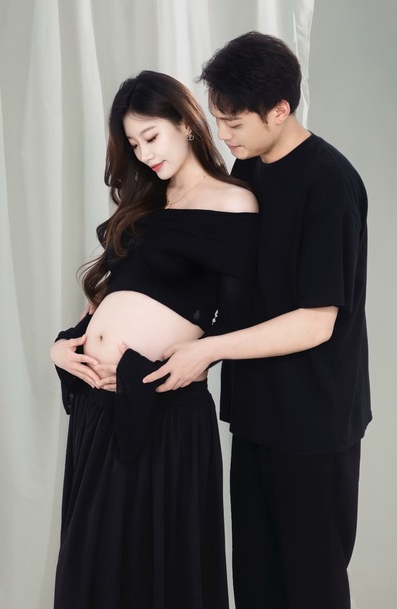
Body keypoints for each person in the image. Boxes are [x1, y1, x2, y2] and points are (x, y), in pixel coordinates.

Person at [143, 32, 372, 609]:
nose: (223, 135)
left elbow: (316, 323)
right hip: (255, 415)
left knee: (312, 587)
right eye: (217, 119)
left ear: (280, 110)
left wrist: (208, 350)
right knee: (256, 585)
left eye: (234, 122)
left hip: (314, 422)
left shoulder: (330, 184)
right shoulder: (247, 170)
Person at [49, 70, 258, 609]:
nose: (143, 154)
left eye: (151, 136)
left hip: (161, 407)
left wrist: (199, 358)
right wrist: (64, 346)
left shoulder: (233, 203)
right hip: (98, 403)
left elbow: (240, 317)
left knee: (151, 571)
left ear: (186, 123)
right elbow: (108, 301)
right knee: (90, 571)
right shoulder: (146, 203)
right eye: (133, 144)